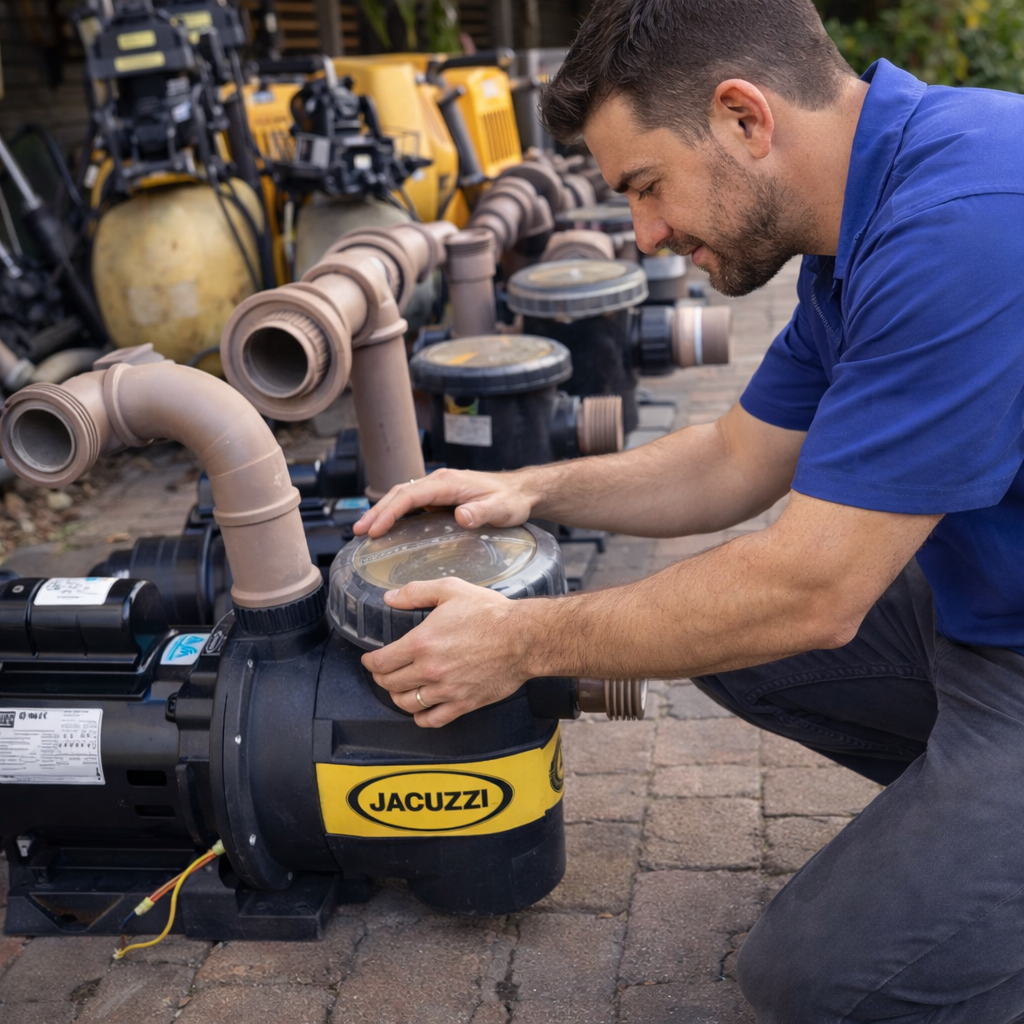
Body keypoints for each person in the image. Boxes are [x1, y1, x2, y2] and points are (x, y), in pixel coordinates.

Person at [354, 1, 1024, 1019]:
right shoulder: (858, 222)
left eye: (646, 185)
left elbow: (812, 589)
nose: (646, 233)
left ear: (745, 119)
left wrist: (523, 640)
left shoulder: (963, 223)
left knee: (818, 977)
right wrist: (532, 485)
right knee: (721, 636)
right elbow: (730, 457)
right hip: (993, 609)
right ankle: (974, 838)